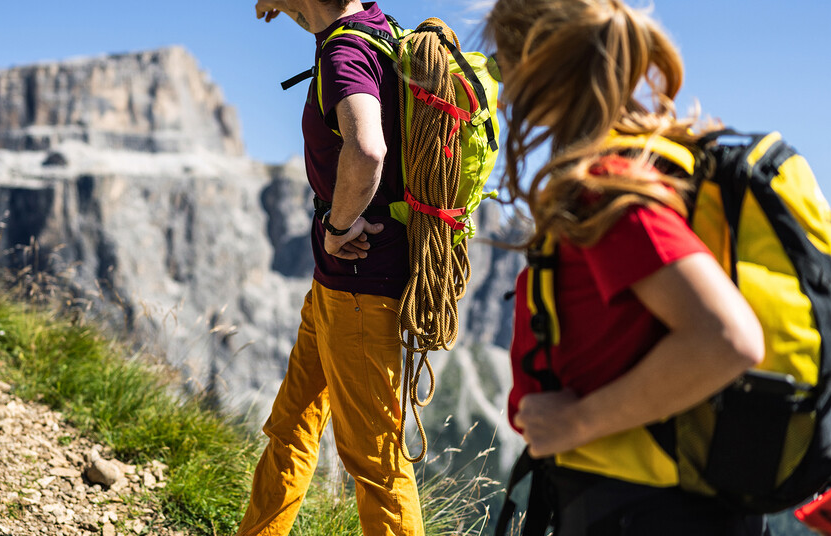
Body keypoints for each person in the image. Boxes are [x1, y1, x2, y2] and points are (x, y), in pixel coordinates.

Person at [485, 0, 768, 534]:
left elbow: (728, 338)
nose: (501, 94)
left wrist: (575, 422)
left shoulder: (604, 191)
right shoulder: (648, 164)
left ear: (541, 64)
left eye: (503, 65)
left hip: (644, 511)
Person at [239, 1, 423, 535]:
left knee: (376, 467)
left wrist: (339, 225)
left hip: (361, 291)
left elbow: (367, 149)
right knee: (292, 426)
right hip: (335, 288)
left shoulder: (344, 51)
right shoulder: (374, 29)